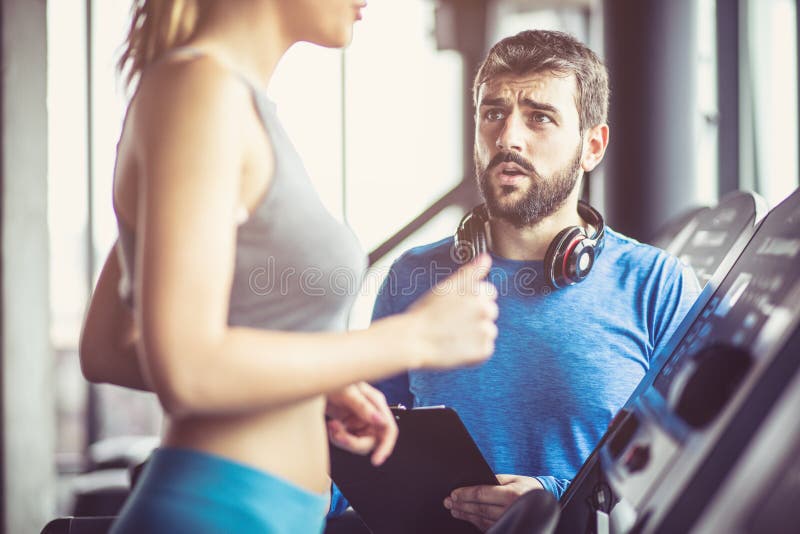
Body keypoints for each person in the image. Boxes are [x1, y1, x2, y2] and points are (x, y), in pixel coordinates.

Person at [78, 1, 501, 532]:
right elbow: (186, 368)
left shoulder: (227, 100)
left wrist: (309, 385)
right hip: (217, 512)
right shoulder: (199, 90)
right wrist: (410, 338)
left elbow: (110, 350)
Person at [330, 30, 700, 531]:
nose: (508, 138)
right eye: (493, 113)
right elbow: (356, 457)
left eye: (540, 118)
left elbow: (696, 467)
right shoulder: (414, 277)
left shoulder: (660, 285)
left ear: (592, 145)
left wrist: (555, 504)